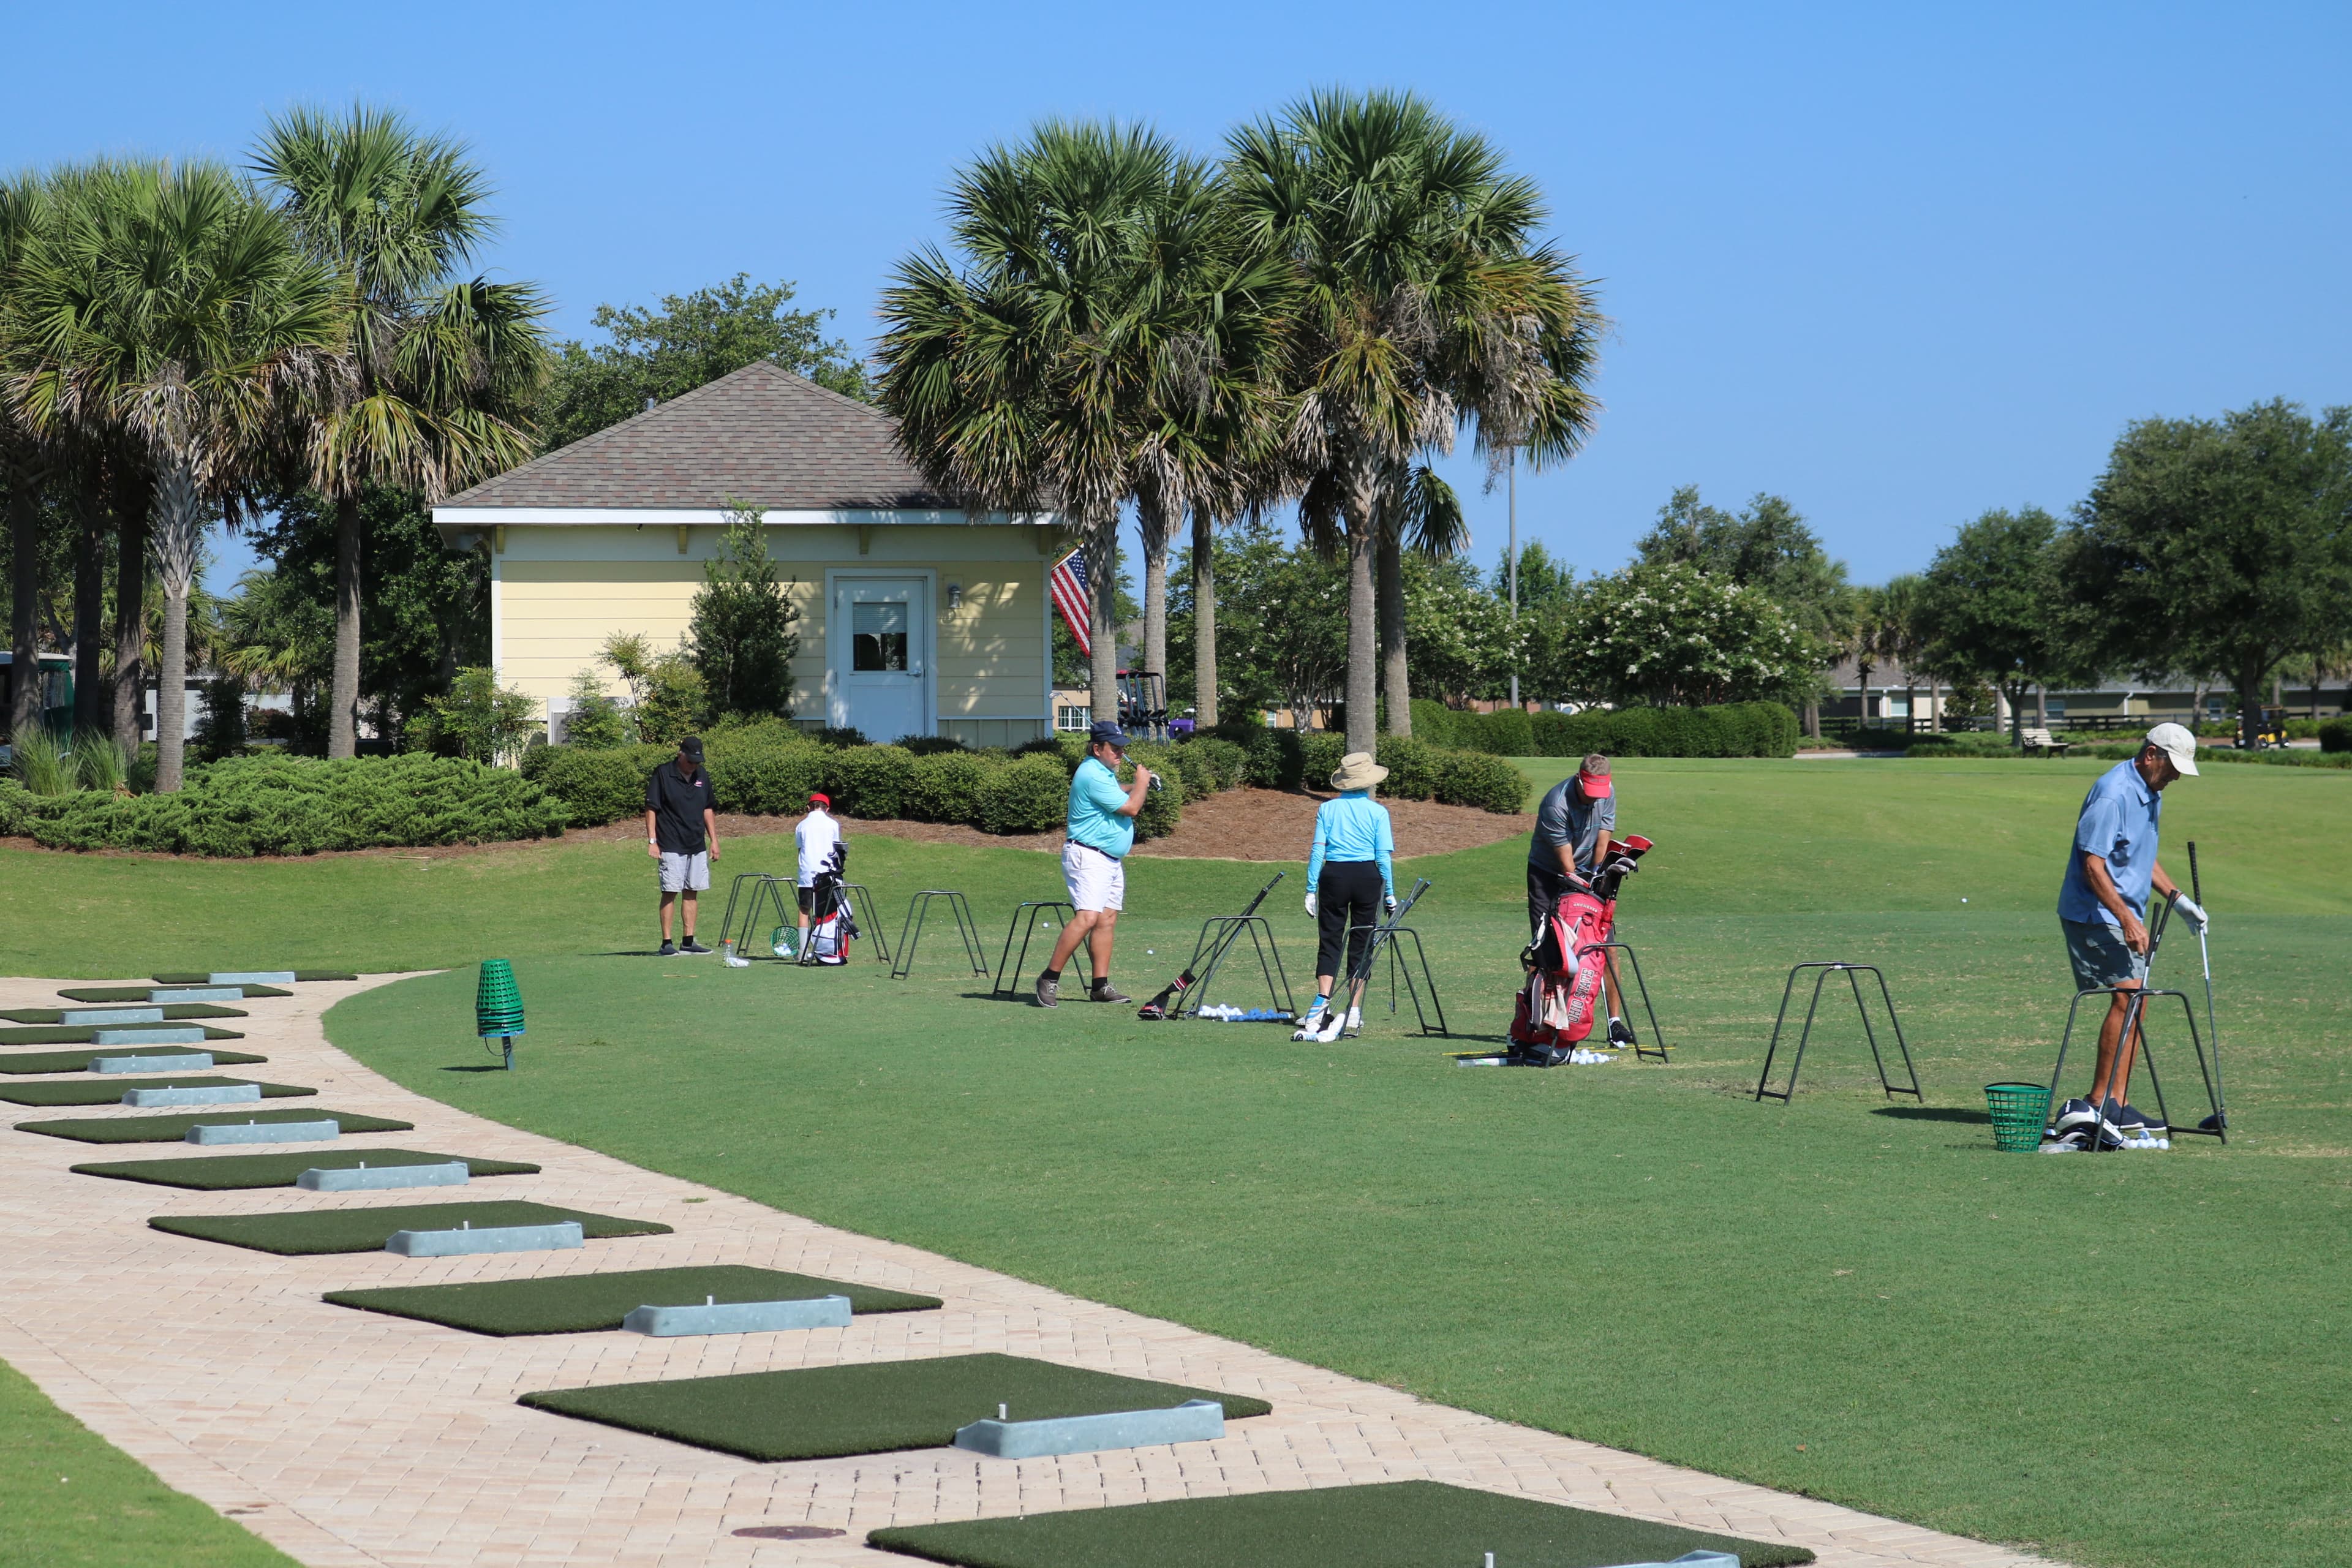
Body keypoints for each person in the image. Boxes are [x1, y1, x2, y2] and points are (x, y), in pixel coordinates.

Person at [2052, 722, 2206, 1145]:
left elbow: (2141, 858)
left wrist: (2178, 900)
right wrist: (2127, 919)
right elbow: (2093, 865)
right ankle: (2099, 1101)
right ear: (2151, 753)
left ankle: (2116, 1103)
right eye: (2172, 766)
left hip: (2120, 913)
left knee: (2137, 1002)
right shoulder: (2114, 793)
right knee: (2128, 994)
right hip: (2094, 914)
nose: (2175, 776)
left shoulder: (2150, 792)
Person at [1035, 720, 1153, 1006]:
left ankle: (1100, 986)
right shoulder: (1091, 773)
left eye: (1123, 749)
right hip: (1087, 856)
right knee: (1087, 918)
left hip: (1108, 860)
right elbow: (1131, 808)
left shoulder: (1103, 773)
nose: (1120, 755)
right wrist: (1142, 784)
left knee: (1106, 919)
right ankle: (1049, 979)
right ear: (1097, 748)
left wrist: (1133, 784)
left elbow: (1114, 792)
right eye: (1115, 749)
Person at [1526, 753, 1634, 1046]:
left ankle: (1615, 1024)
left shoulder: (1606, 792)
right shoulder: (1555, 804)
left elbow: (1603, 838)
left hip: (1588, 871)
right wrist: (1586, 886)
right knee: (1546, 950)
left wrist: (1600, 877)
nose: (1593, 800)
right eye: (1589, 793)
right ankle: (1535, 1024)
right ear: (1578, 780)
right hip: (1548, 875)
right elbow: (1566, 866)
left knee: (1606, 946)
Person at [1292, 751, 1396, 1042]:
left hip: (1334, 876)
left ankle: (1322, 1003)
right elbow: (1383, 858)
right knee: (1361, 943)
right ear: (1368, 782)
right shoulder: (1378, 812)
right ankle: (1352, 1011)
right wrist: (1389, 893)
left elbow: (1318, 850)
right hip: (1367, 878)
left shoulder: (1328, 809)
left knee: (1330, 940)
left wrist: (1311, 889)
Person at [645, 735, 719, 956]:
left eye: (697, 762)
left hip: (696, 843)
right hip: (670, 843)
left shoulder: (702, 775)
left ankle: (688, 940)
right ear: (681, 755)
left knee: (692, 891)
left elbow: (708, 808)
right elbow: (651, 809)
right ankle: (666, 943)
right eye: (691, 761)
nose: (694, 766)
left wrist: (714, 840)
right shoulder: (663, 774)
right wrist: (652, 841)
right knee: (670, 891)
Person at [793, 791, 844, 955]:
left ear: (809, 807)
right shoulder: (833, 824)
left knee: (804, 910)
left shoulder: (801, 825)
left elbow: (800, 848)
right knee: (827, 912)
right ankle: (826, 949)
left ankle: (801, 951)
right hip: (827, 873)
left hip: (807, 873)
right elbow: (837, 848)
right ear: (827, 809)